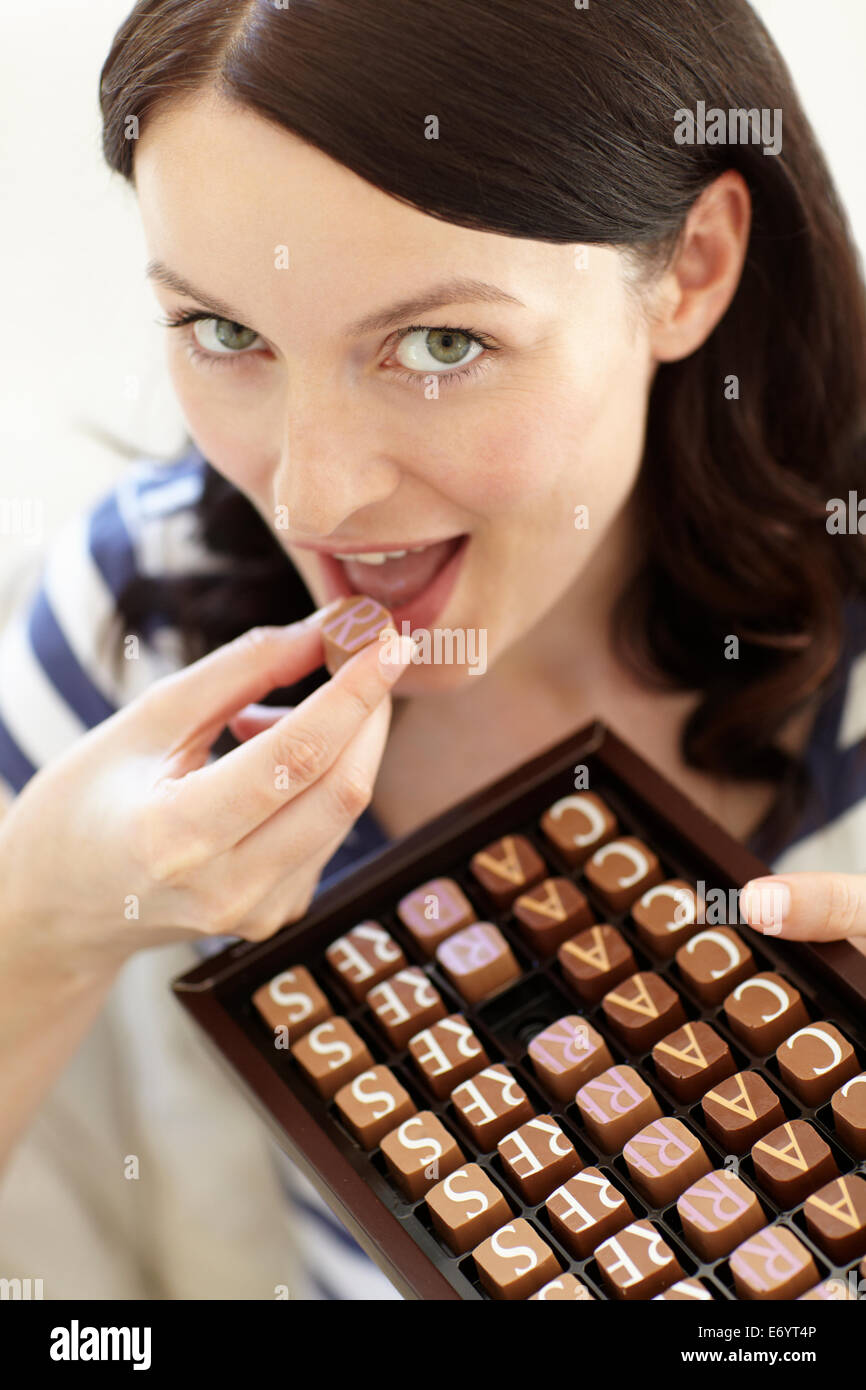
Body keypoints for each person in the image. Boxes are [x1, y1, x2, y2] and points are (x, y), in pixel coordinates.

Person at [0, 0, 864, 1301]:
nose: (307, 497)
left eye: (441, 345)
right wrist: (41, 927)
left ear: (688, 269)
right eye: (226, 333)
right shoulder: (131, 628)